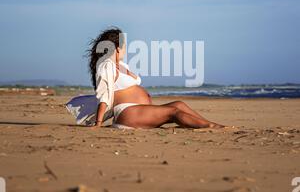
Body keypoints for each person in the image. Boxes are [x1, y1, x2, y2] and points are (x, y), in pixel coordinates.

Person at [86, 27, 225, 130]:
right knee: (174, 112)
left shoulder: (121, 65)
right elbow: (104, 95)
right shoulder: (106, 66)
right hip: (128, 113)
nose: (125, 49)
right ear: (117, 48)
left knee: (179, 104)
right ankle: (210, 126)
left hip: (139, 110)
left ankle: (208, 124)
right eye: (124, 46)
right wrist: (98, 124)